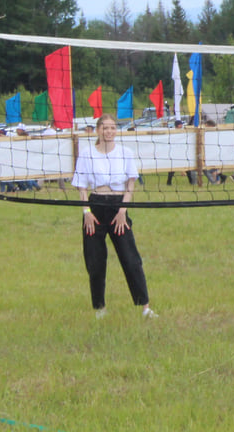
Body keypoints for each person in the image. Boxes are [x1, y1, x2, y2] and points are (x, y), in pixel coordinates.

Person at [72, 114, 156, 320]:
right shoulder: (87, 154)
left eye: (112, 128)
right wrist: (87, 213)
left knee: (131, 259)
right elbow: (82, 187)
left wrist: (122, 211)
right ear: (98, 130)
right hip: (95, 207)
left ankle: (145, 307)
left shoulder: (125, 153)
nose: (109, 131)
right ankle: (99, 308)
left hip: (118, 207)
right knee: (95, 260)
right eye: (105, 128)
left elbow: (130, 185)